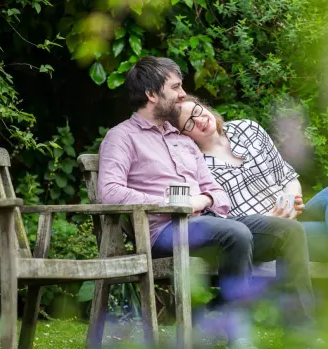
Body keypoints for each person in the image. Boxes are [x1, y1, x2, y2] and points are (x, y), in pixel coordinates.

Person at [97, 56, 316, 348]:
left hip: (205, 224)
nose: (183, 93)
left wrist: (201, 198)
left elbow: (218, 194)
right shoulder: (121, 137)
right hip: (162, 232)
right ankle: (238, 336)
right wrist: (170, 203)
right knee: (235, 232)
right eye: (175, 87)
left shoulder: (183, 140)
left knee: (288, 231)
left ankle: (303, 332)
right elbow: (109, 191)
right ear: (151, 94)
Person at [169, 95, 328, 301]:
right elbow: (221, 218)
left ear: (203, 106)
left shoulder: (247, 129)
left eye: (196, 110)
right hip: (264, 234)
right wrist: (270, 218)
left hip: (292, 215)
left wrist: (292, 198)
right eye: (189, 123)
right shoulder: (197, 164)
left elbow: (288, 177)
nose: (199, 120)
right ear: (185, 135)